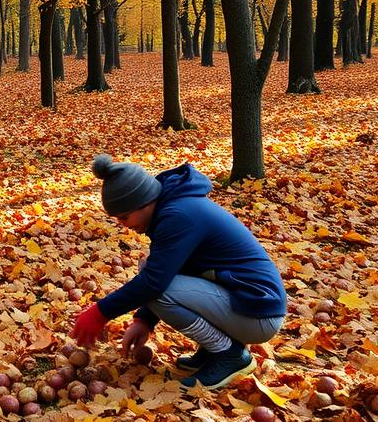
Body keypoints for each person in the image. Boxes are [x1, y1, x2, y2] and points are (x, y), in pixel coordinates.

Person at [71, 153, 287, 389]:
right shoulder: (173, 207)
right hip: (244, 301)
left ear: (143, 202)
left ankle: (229, 354)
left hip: (258, 313)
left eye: (124, 216)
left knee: (156, 286)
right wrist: (144, 319)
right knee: (152, 272)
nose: (124, 225)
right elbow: (173, 270)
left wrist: (99, 313)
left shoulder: (178, 216)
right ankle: (214, 349)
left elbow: (155, 283)